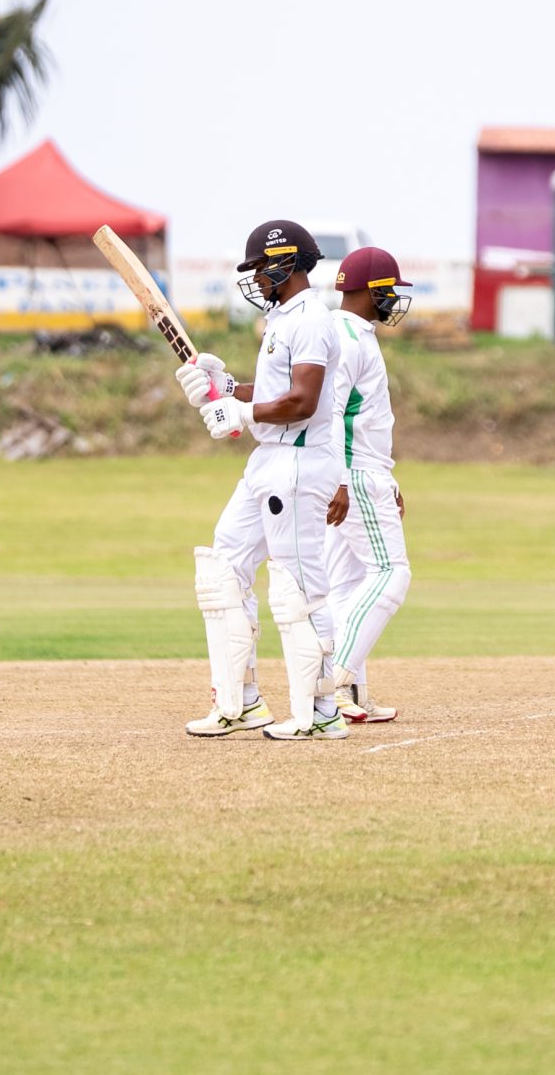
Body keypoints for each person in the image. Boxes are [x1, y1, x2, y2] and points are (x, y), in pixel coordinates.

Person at [177, 220, 346, 740]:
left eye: (258, 269)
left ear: (284, 265)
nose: (254, 279)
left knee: (298, 587)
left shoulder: (312, 320)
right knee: (223, 569)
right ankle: (240, 703)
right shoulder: (282, 319)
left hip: (298, 463)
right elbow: (274, 388)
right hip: (267, 464)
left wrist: (241, 413)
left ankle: (321, 714)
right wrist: (225, 386)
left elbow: (303, 400)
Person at [323, 247, 414, 724]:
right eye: (389, 290)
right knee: (391, 574)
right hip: (354, 475)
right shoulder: (349, 338)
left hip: (363, 470)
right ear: (367, 290)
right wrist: (342, 479)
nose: (394, 299)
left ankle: (350, 693)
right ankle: (333, 679)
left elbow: (367, 419)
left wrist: (389, 474)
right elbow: (333, 413)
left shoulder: (355, 334)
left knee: (347, 586)